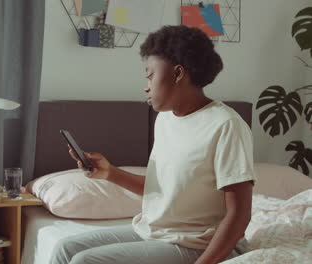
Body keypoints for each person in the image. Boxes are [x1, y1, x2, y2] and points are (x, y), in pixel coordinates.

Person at [50, 25, 256, 264]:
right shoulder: (165, 120)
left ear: (178, 74)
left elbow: (240, 213)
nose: (146, 85)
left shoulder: (226, 125)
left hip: (199, 244)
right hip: (156, 232)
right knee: (64, 248)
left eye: (150, 75)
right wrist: (110, 172)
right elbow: (164, 189)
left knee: (85, 261)